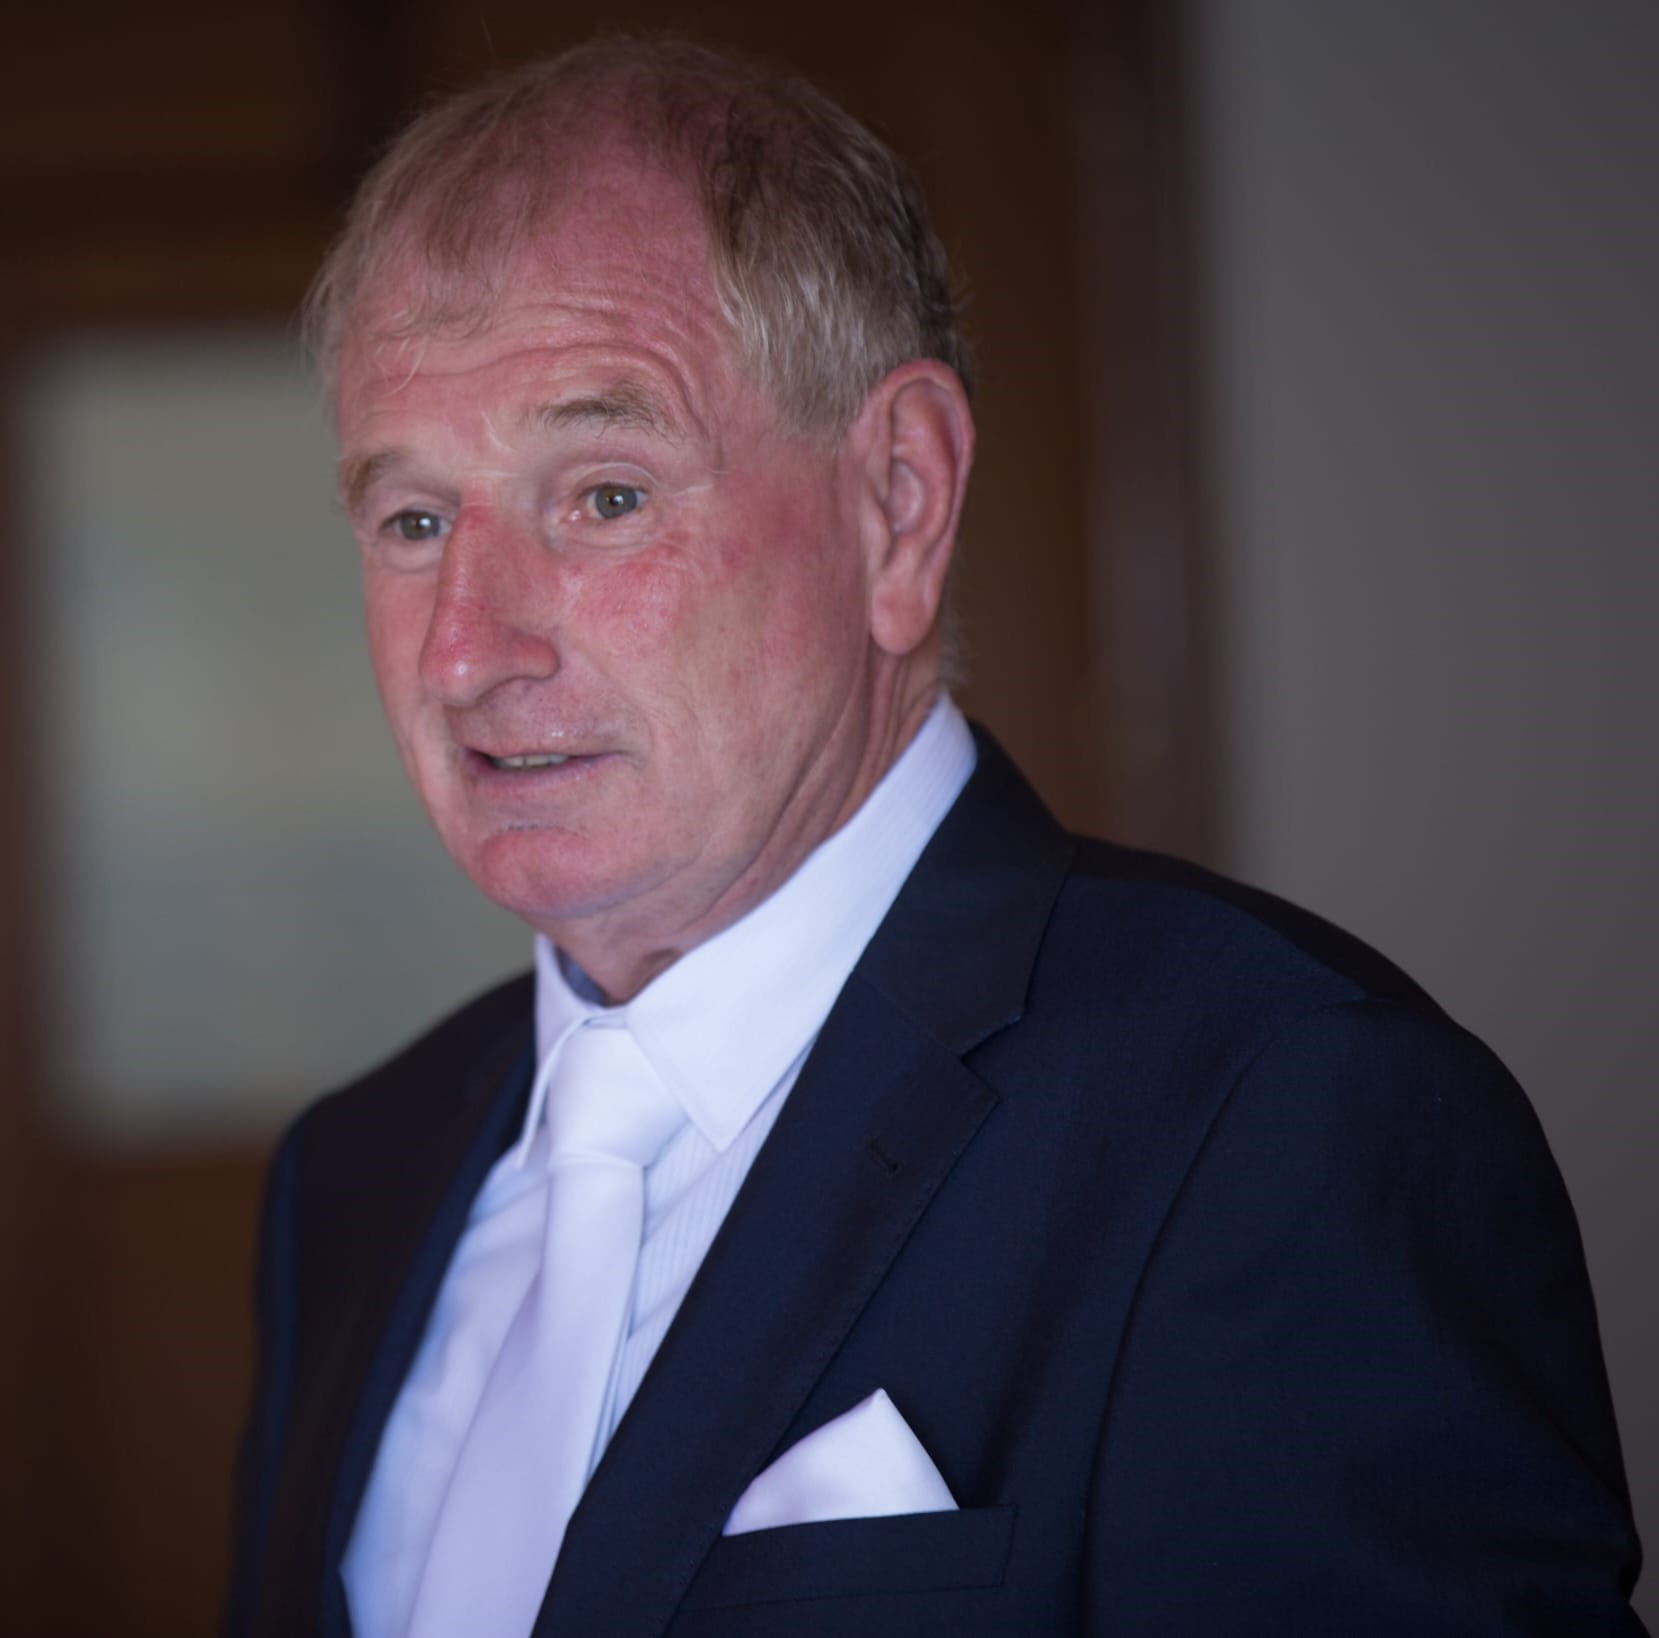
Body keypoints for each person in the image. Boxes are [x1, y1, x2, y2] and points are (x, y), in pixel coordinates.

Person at [223, 38, 1646, 1638]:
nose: (467, 648)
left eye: (604, 495)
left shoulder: (1277, 1123)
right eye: (414, 520)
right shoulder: (354, 1174)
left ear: (897, 501)